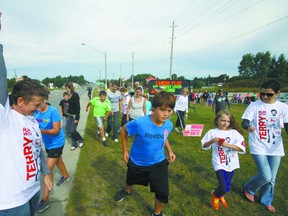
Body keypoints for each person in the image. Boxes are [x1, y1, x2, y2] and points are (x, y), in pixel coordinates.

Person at [0, 42, 52, 215]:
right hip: (12, 201)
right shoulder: (6, 118)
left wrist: (46, 173)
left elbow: (38, 150)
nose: (38, 108)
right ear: (20, 101)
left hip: (32, 191)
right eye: (36, 105)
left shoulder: (32, 120)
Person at [114, 91, 176, 216]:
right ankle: (127, 190)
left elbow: (163, 137)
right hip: (138, 162)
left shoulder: (168, 125)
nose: (166, 114)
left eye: (169, 111)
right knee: (130, 179)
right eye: (163, 110)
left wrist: (169, 150)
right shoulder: (140, 123)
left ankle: (157, 213)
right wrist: (125, 151)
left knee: (162, 193)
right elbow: (124, 130)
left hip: (158, 163)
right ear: (153, 109)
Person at [241, 80, 288, 214]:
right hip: (258, 145)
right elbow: (244, 122)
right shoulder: (254, 105)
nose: (265, 97)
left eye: (269, 94)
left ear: (278, 93)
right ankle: (249, 188)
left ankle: (266, 200)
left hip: (276, 147)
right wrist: (248, 126)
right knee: (265, 175)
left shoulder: (283, 107)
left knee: (272, 178)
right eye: (262, 94)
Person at [201, 111, 246, 211]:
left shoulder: (234, 133)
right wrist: (212, 141)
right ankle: (215, 196)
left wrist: (226, 144)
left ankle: (220, 195)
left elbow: (242, 149)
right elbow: (204, 145)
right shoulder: (212, 132)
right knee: (225, 186)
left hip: (232, 163)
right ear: (217, 120)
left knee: (227, 185)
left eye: (228, 121)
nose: (225, 123)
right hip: (219, 162)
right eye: (222, 120)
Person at [34, 95, 71, 213]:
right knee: (58, 160)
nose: (37, 106)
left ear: (45, 99)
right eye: (35, 104)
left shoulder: (53, 112)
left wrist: (40, 131)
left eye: (39, 103)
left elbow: (56, 130)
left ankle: (45, 199)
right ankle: (66, 176)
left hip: (57, 142)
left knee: (47, 169)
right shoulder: (35, 112)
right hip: (48, 144)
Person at [64, 82, 84, 151]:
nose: (66, 90)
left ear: (70, 88)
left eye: (67, 88)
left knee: (72, 131)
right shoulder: (68, 96)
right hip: (69, 116)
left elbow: (78, 107)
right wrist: (66, 115)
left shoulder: (75, 95)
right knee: (70, 131)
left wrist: (77, 118)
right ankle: (74, 144)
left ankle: (80, 140)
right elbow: (67, 105)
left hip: (75, 116)